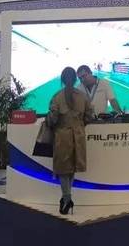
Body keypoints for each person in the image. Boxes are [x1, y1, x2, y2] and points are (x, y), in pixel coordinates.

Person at [48, 67, 93, 215]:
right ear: (75, 79)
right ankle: (67, 198)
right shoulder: (82, 96)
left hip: (62, 137)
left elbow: (52, 119)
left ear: (62, 79)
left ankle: (66, 199)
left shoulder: (57, 97)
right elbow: (89, 116)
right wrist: (79, 125)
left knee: (63, 170)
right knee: (72, 167)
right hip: (78, 136)